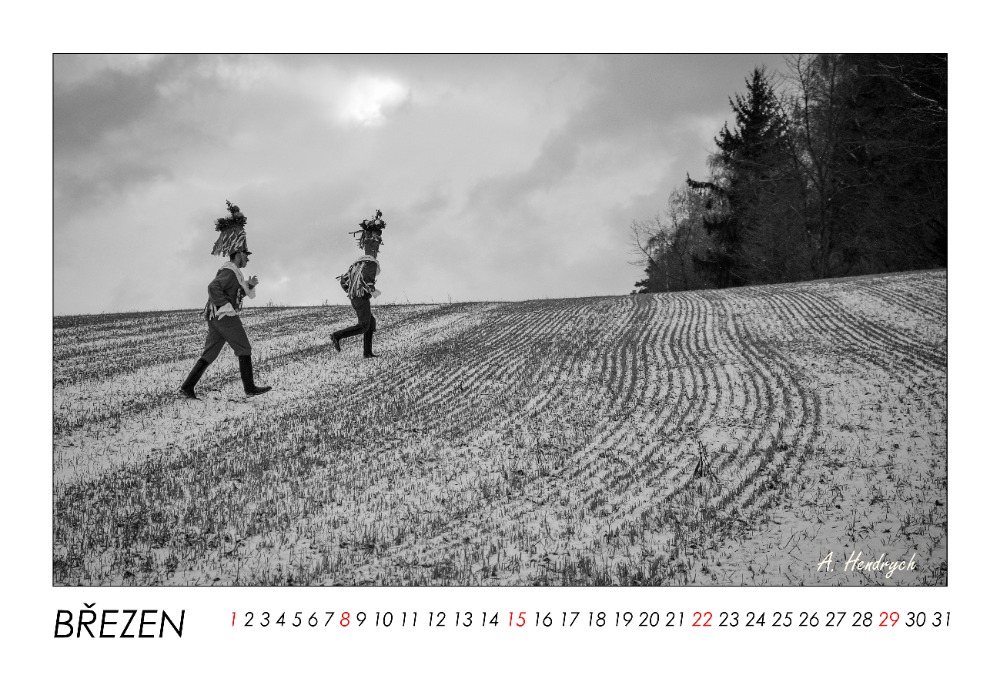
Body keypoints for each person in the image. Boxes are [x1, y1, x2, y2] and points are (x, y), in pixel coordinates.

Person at [179, 201, 272, 399]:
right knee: (244, 347)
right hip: (224, 316)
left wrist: (249, 286)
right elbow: (213, 287)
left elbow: (233, 293)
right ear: (238, 254)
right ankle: (249, 388)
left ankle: (187, 387)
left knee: (210, 353)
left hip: (215, 317)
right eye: (246, 255)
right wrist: (225, 306)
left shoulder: (232, 272)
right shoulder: (230, 271)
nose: (247, 259)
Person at [331, 210, 385, 359]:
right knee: (363, 325)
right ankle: (337, 335)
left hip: (355, 298)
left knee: (370, 323)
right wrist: (372, 291)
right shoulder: (371, 263)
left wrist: (352, 292)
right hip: (361, 298)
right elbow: (368, 280)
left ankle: (367, 352)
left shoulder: (358, 263)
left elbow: (344, 280)